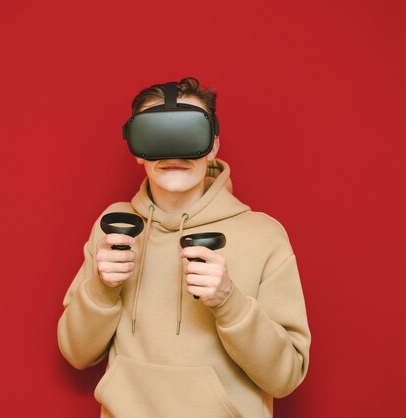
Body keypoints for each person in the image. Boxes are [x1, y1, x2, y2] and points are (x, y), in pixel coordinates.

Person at [57, 77, 311, 418]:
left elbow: (286, 376)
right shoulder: (114, 226)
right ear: (135, 148)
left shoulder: (264, 236)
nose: (173, 151)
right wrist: (103, 289)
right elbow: (76, 353)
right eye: (156, 135)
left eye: (188, 132)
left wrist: (228, 302)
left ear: (214, 145)